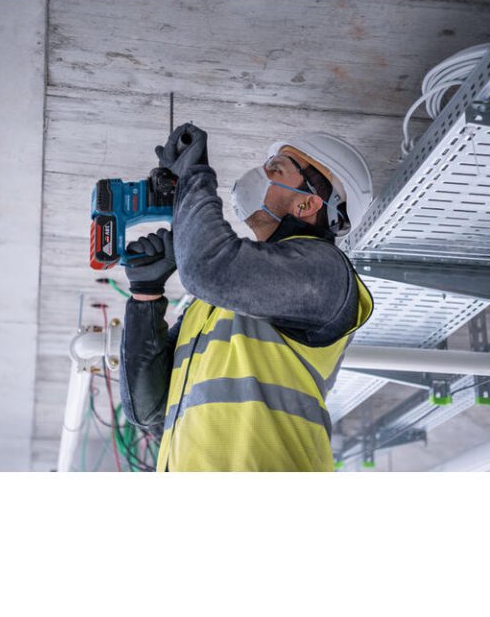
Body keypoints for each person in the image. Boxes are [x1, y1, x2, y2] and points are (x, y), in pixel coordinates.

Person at [118, 123, 375, 471]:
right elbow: (149, 409)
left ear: (306, 204)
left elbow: (208, 267)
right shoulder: (214, 305)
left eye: (276, 169)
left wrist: (194, 176)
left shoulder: (326, 272)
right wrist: (146, 297)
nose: (260, 174)